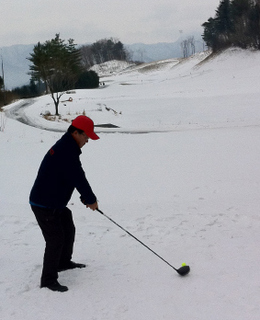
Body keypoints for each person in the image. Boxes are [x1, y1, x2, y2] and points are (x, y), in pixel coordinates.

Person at [29, 115, 99, 292]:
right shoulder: (67, 151)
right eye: (85, 136)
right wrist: (90, 199)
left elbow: (69, 177)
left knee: (68, 226)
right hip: (44, 204)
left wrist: (85, 197)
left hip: (54, 202)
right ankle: (48, 280)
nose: (87, 140)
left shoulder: (68, 147)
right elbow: (78, 177)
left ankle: (63, 262)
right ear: (75, 132)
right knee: (55, 239)